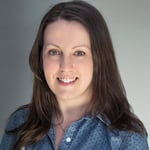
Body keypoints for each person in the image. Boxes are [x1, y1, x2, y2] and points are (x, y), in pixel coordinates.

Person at [0, 1, 149, 150]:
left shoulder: (127, 137)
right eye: (54, 52)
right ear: (40, 57)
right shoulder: (19, 124)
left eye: (79, 53)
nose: (65, 66)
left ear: (100, 59)